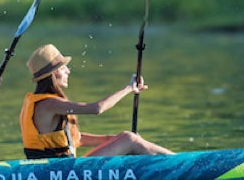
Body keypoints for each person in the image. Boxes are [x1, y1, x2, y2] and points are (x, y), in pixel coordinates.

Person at [19, 44, 173, 159]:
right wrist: (128, 88)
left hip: (63, 169)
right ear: (54, 73)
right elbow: (97, 108)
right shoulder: (49, 104)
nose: (68, 71)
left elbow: (76, 138)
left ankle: (175, 160)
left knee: (127, 138)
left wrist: (113, 139)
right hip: (59, 170)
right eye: (64, 68)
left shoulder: (45, 103)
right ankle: (180, 162)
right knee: (129, 139)